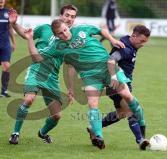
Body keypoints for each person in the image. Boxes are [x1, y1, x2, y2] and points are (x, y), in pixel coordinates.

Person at [24, 19, 125, 149]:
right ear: (55, 35)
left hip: (108, 69)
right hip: (89, 76)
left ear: (69, 26)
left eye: (65, 30)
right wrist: (30, 39)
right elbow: (40, 59)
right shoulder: (56, 46)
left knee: (127, 104)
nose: (64, 34)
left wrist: (112, 40)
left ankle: (97, 131)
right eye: (60, 33)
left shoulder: (80, 30)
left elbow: (100, 31)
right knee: (92, 105)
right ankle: (98, 136)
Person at [8, 4, 78, 145]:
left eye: (73, 16)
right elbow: (26, 34)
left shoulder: (73, 40)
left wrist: (71, 89)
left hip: (52, 78)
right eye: (67, 15)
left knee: (57, 115)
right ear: (61, 16)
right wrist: (14, 24)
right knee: (28, 100)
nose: (69, 19)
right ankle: (15, 133)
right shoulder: (45, 28)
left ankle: (42, 133)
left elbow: (70, 66)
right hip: (36, 70)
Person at [87, 25, 151, 150]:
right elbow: (111, 60)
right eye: (142, 41)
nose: (143, 44)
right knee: (131, 110)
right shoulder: (125, 48)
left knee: (121, 113)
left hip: (124, 83)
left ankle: (94, 127)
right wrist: (113, 78)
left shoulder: (129, 42)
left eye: (145, 42)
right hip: (118, 84)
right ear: (133, 36)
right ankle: (140, 140)